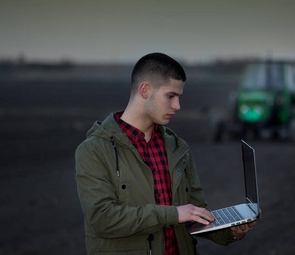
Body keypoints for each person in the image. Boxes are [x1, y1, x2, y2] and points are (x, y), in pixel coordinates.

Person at [75, 52, 259, 255]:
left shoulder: (178, 149)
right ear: (145, 90)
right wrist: (172, 214)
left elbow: (194, 215)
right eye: (170, 96)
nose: (177, 106)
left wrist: (231, 231)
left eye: (179, 97)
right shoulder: (94, 150)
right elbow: (102, 219)